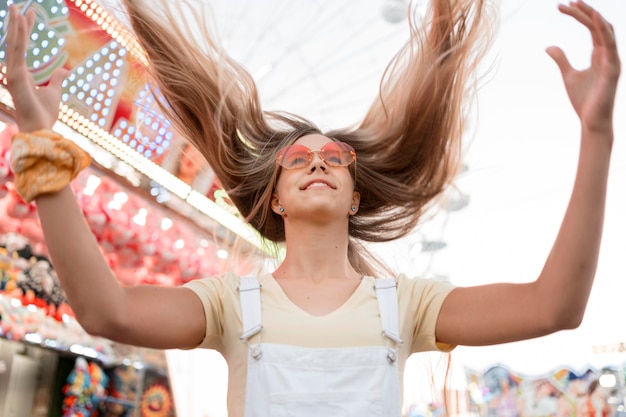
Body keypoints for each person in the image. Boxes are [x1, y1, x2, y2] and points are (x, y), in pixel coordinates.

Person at [4, 0, 620, 416]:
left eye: (334, 158)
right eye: (297, 159)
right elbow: (105, 310)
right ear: (273, 198)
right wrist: (40, 139)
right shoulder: (229, 303)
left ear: (356, 197)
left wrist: (597, 135)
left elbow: (555, 306)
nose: (319, 161)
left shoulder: (406, 307)